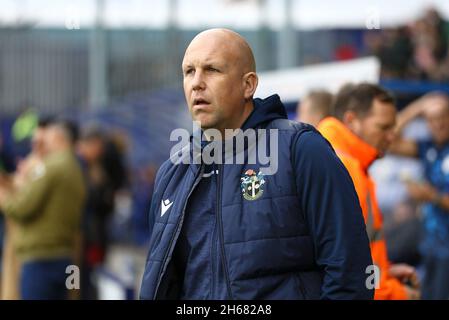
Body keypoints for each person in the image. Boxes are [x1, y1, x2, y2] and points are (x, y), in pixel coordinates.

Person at [139, 28, 373, 300]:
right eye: (189, 71)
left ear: (248, 85)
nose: (196, 83)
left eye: (212, 70)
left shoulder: (301, 149)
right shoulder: (172, 172)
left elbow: (348, 272)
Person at [318, 83, 420, 300]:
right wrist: (399, 294)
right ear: (351, 121)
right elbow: (345, 268)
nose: (392, 137)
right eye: (383, 128)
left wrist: (385, 271)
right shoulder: (346, 169)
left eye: (393, 128)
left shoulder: (331, 158)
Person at [0, 120, 86, 299]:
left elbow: (22, 208)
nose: (39, 147)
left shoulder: (51, 166)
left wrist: (4, 197)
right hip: (68, 256)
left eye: (41, 141)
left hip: (41, 259)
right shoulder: (75, 167)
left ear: (56, 137)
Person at [389, 92, 449, 299]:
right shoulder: (427, 147)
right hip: (431, 243)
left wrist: (432, 196)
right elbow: (389, 140)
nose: (438, 124)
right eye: (431, 119)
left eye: (443, 117)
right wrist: (419, 107)